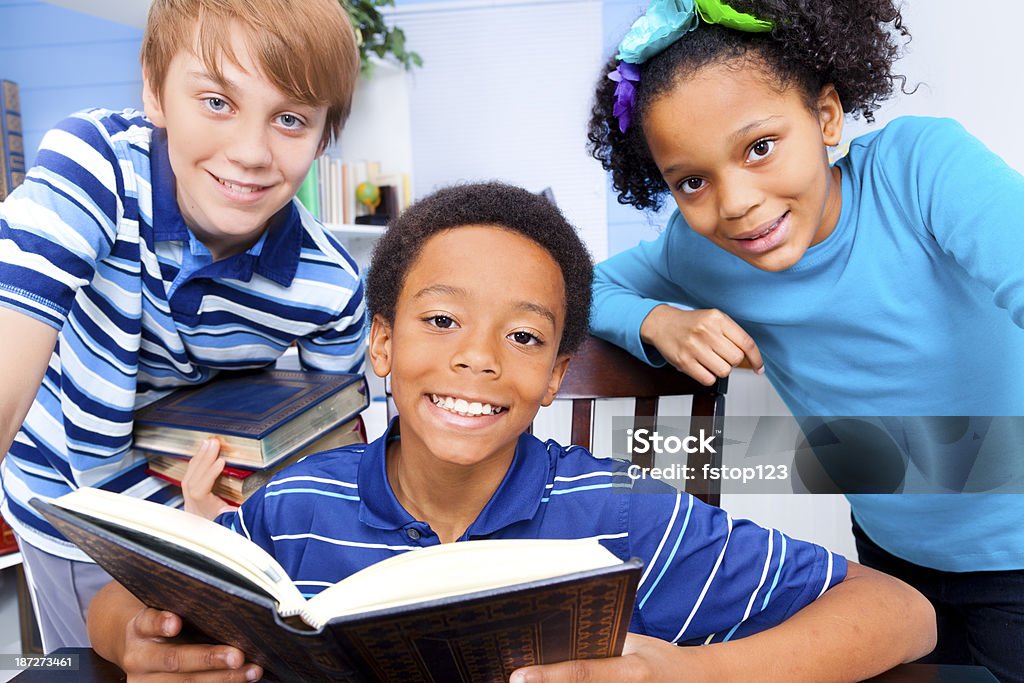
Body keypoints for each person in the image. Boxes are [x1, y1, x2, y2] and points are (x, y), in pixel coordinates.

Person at [87, 182, 934, 682]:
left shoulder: (628, 519)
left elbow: (901, 612)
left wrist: (690, 671)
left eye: (524, 337)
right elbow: (127, 601)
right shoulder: (294, 506)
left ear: (557, 372)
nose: (480, 359)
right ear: (382, 342)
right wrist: (132, 637)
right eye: (442, 320)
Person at [586, 0, 1024, 680]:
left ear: (825, 116)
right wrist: (657, 321)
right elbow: (578, 288)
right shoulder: (700, 254)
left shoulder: (920, 171)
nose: (734, 202)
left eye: (759, 147)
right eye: (692, 181)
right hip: (888, 565)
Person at [0, 0, 366, 652]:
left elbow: (327, 446)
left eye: (289, 119)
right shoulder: (95, 167)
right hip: (67, 506)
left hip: (209, 521)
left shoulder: (331, 291)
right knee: (88, 660)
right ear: (154, 88)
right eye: (217, 102)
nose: (251, 153)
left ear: (324, 133)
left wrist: (236, 527)